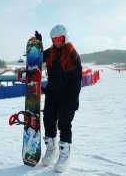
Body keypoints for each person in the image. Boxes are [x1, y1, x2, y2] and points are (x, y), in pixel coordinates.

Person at [35, 25, 82, 172]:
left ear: (65, 37)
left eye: (59, 39)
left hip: (67, 96)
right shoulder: (51, 53)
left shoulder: (73, 55)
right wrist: (37, 45)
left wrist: (73, 101)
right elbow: (38, 57)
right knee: (48, 119)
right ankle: (51, 148)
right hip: (52, 93)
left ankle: (64, 154)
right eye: (54, 39)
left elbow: (77, 81)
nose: (57, 42)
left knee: (64, 123)